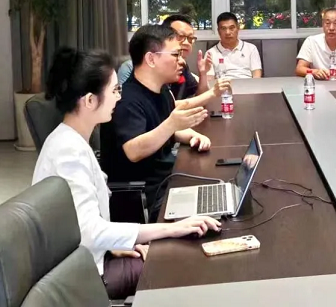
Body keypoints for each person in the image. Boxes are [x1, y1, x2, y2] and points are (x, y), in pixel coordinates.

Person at [32, 47, 220, 300]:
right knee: (181, 261)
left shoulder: (71, 140)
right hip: (86, 275)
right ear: (90, 101)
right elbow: (89, 232)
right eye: (114, 90)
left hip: (91, 257)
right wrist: (170, 229)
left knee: (178, 250)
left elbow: (84, 227)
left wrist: (115, 244)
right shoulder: (69, 152)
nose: (119, 98)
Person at [101, 24, 227, 219]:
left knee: (219, 186)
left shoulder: (162, 91)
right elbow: (133, 150)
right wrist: (172, 124)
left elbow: (165, 129)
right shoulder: (127, 101)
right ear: (151, 59)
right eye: (175, 55)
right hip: (146, 198)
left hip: (167, 182)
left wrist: (192, 135)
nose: (182, 61)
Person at [118, 14, 213, 100]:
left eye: (190, 38)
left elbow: (199, 99)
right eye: (180, 36)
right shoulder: (132, 69)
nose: (186, 42)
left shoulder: (182, 67)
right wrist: (213, 92)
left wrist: (203, 74)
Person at [206, 12, 262, 79]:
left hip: (247, 84)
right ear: (218, 31)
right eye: (223, 28)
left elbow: (257, 75)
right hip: (222, 84)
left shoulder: (251, 48)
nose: (228, 32)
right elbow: (209, 80)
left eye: (231, 28)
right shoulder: (210, 53)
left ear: (238, 28)